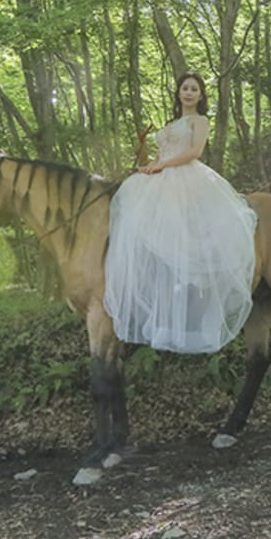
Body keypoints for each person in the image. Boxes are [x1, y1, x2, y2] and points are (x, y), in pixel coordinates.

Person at [104, 72, 257, 352]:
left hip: (187, 177)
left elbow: (194, 151)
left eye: (193, 89)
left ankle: (192, 286)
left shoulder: (199, 121)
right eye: (184, 88)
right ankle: (156, 300)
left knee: (182, 231)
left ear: (200, 96)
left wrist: (163, 166)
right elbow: (164, 153)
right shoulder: (170, 124)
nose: (188, 92)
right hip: (164, 175)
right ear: (179, 93)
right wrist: (150, 165)